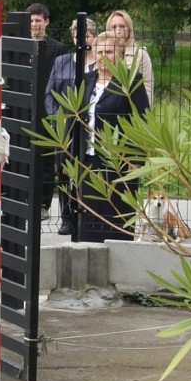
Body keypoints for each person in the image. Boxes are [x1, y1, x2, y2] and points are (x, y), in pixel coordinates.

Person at [79, 31, 149, 242]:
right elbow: (73, 117)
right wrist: (68, 157)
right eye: (99, 51)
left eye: (108, 51)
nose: (102, 56)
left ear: (119, 55)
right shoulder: (86, 80)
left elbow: (142, 121)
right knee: (89, 217)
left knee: (117, 214)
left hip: (118, 161)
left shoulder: (131, 81)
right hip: (88, 159)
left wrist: (135, 158)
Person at [44, 18, 97, 235]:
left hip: (90, 126)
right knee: (64, 171)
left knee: (87, 171)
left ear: (94, 36)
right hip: (65, 127)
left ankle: (87, 215)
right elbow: (50, 93)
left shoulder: (99, 64)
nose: (80, 39)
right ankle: (67, 218)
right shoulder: (62, 62)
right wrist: (58, 118)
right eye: (76, 35)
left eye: (85, 35)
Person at [26, 2, 67, 216]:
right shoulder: (19, 44)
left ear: (47, 22)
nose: (34, 25)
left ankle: (43, 203)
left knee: (46, 157)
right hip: (23, 107)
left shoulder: (57, 48)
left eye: (38, 21)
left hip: (46, 109)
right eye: (31, 21)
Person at [106, 9, 154, 107]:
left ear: (129, 28)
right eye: (114, 27)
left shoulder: (141, 54)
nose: (118, 30)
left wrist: (145, 114)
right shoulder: (102, 53)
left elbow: (147, 86)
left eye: (122, 26)